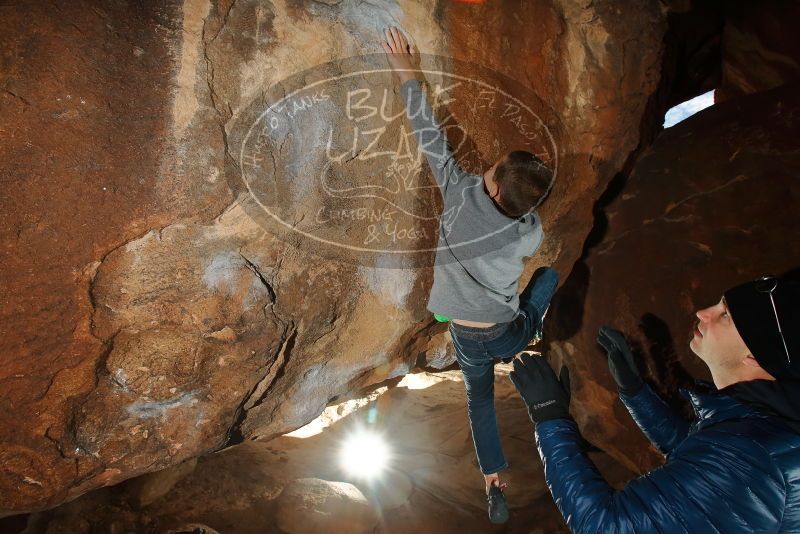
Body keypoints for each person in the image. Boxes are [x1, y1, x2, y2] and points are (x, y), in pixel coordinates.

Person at [381, 27, 558, 523]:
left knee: (479, 402)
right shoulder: (528, 232)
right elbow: (530, 214)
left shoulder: (460, 195)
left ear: (496, 188)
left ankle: (491, 476)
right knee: (547, 278)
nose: (483, 169)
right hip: (505, 330)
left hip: (467, 334)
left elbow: (428, 134)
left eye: (491, 170)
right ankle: (534, 329)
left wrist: (406, 73)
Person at [509, 274, 800, 532]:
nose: (703, 312)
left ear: (754, 356)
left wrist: (550, 418)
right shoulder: (763, 423)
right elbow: (698, 456)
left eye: (725, 315)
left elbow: (604, 525)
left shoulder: (751, 457)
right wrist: (636, 392)